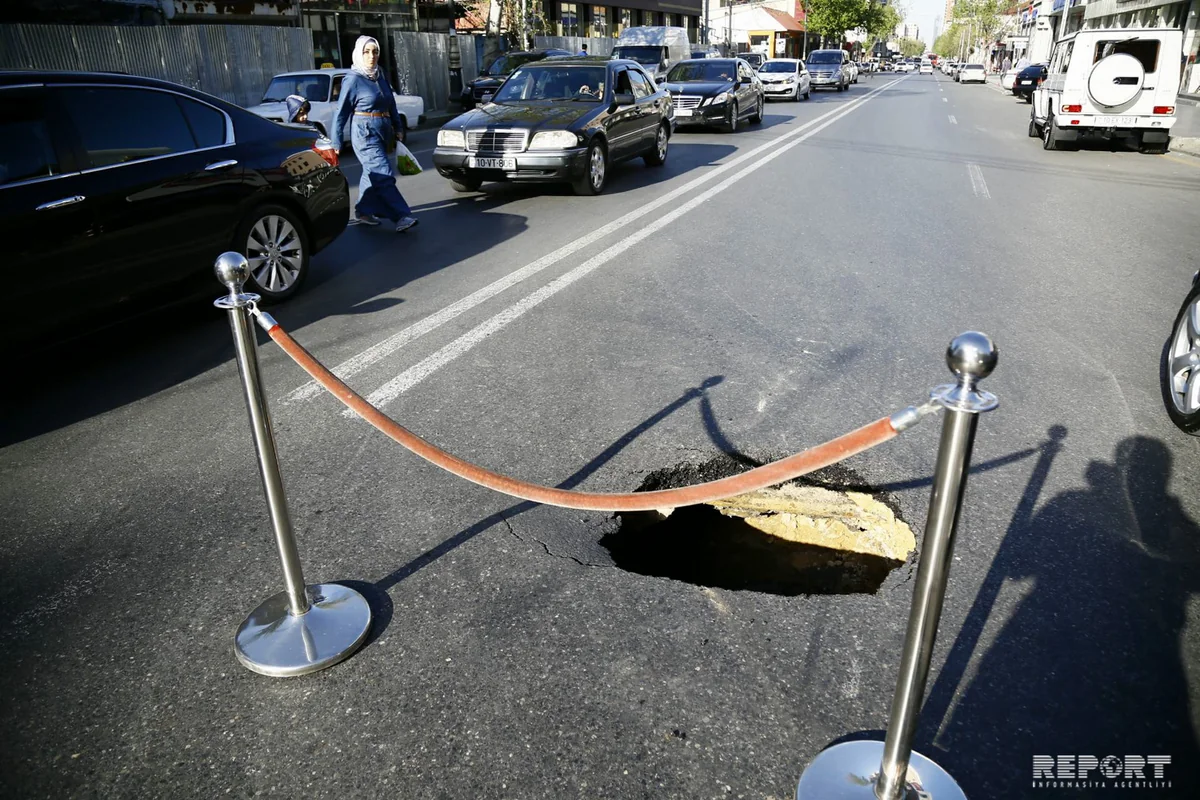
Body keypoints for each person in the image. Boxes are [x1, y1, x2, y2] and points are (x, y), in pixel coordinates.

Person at [332, 35, 418, 232]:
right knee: (383, 174)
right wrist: (336, 142)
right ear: (359, 53)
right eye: (367, 51)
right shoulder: (353, 79)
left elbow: (391, 103)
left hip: (383, 130)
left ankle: (363, 210)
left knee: (371, 172)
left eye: (375, 51)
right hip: (364, 133)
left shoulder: (379, 75)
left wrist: (398, 127)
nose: (372, 56)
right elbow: (341, 112)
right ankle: (401, 216)